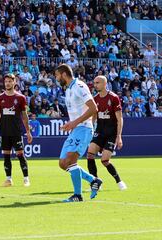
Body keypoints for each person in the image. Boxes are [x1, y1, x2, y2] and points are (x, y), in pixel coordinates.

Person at [54, 64, 102, 202]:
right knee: (63, 163)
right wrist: (72, 124)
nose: (57, 79)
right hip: (76, 130)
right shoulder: (68, 89)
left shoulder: (79, 86)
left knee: (70, 161)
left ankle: (77, 195)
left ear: (63, 74)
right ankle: (94, 180)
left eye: (57, 75)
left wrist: (76, 122)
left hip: (84, 129)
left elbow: (94, 108)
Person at [0, 73, 33, 187]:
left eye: (10, 81)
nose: (7, 83)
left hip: (16, 131)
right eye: (6, 82)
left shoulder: (20, 98)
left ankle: (26, 179)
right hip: (4, 132)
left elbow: (24, 116)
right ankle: (8, 179)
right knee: (6, 155)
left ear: (14, 82)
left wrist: (28, 132)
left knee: (20, 154)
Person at [87, 76, 127, 190]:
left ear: (104, 84)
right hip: (99, 131)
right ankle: (95, 183)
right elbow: (94, 116)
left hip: (111, 133)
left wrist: (119, 137)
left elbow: (120, 119)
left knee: (104, 161)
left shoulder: (114, 98)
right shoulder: (95, 99)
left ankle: (119, 181)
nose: (95, 85)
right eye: (94, 83)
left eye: (97, 83)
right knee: (90, 154)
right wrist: (90, 129)